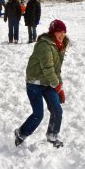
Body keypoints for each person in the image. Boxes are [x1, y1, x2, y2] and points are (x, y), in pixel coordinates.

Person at [14, 19, 70, 148]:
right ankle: (21, 133)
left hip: (48, 82)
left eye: (63, 32)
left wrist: (59, 87)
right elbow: (48, 68)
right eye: (58, 32)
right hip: (35, 82)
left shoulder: (59, 46)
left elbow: (56, 70)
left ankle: (52, 135)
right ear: (53, 33)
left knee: (57, 110)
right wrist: (58, 87)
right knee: (38, 114)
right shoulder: (44, 45)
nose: (62, 35)